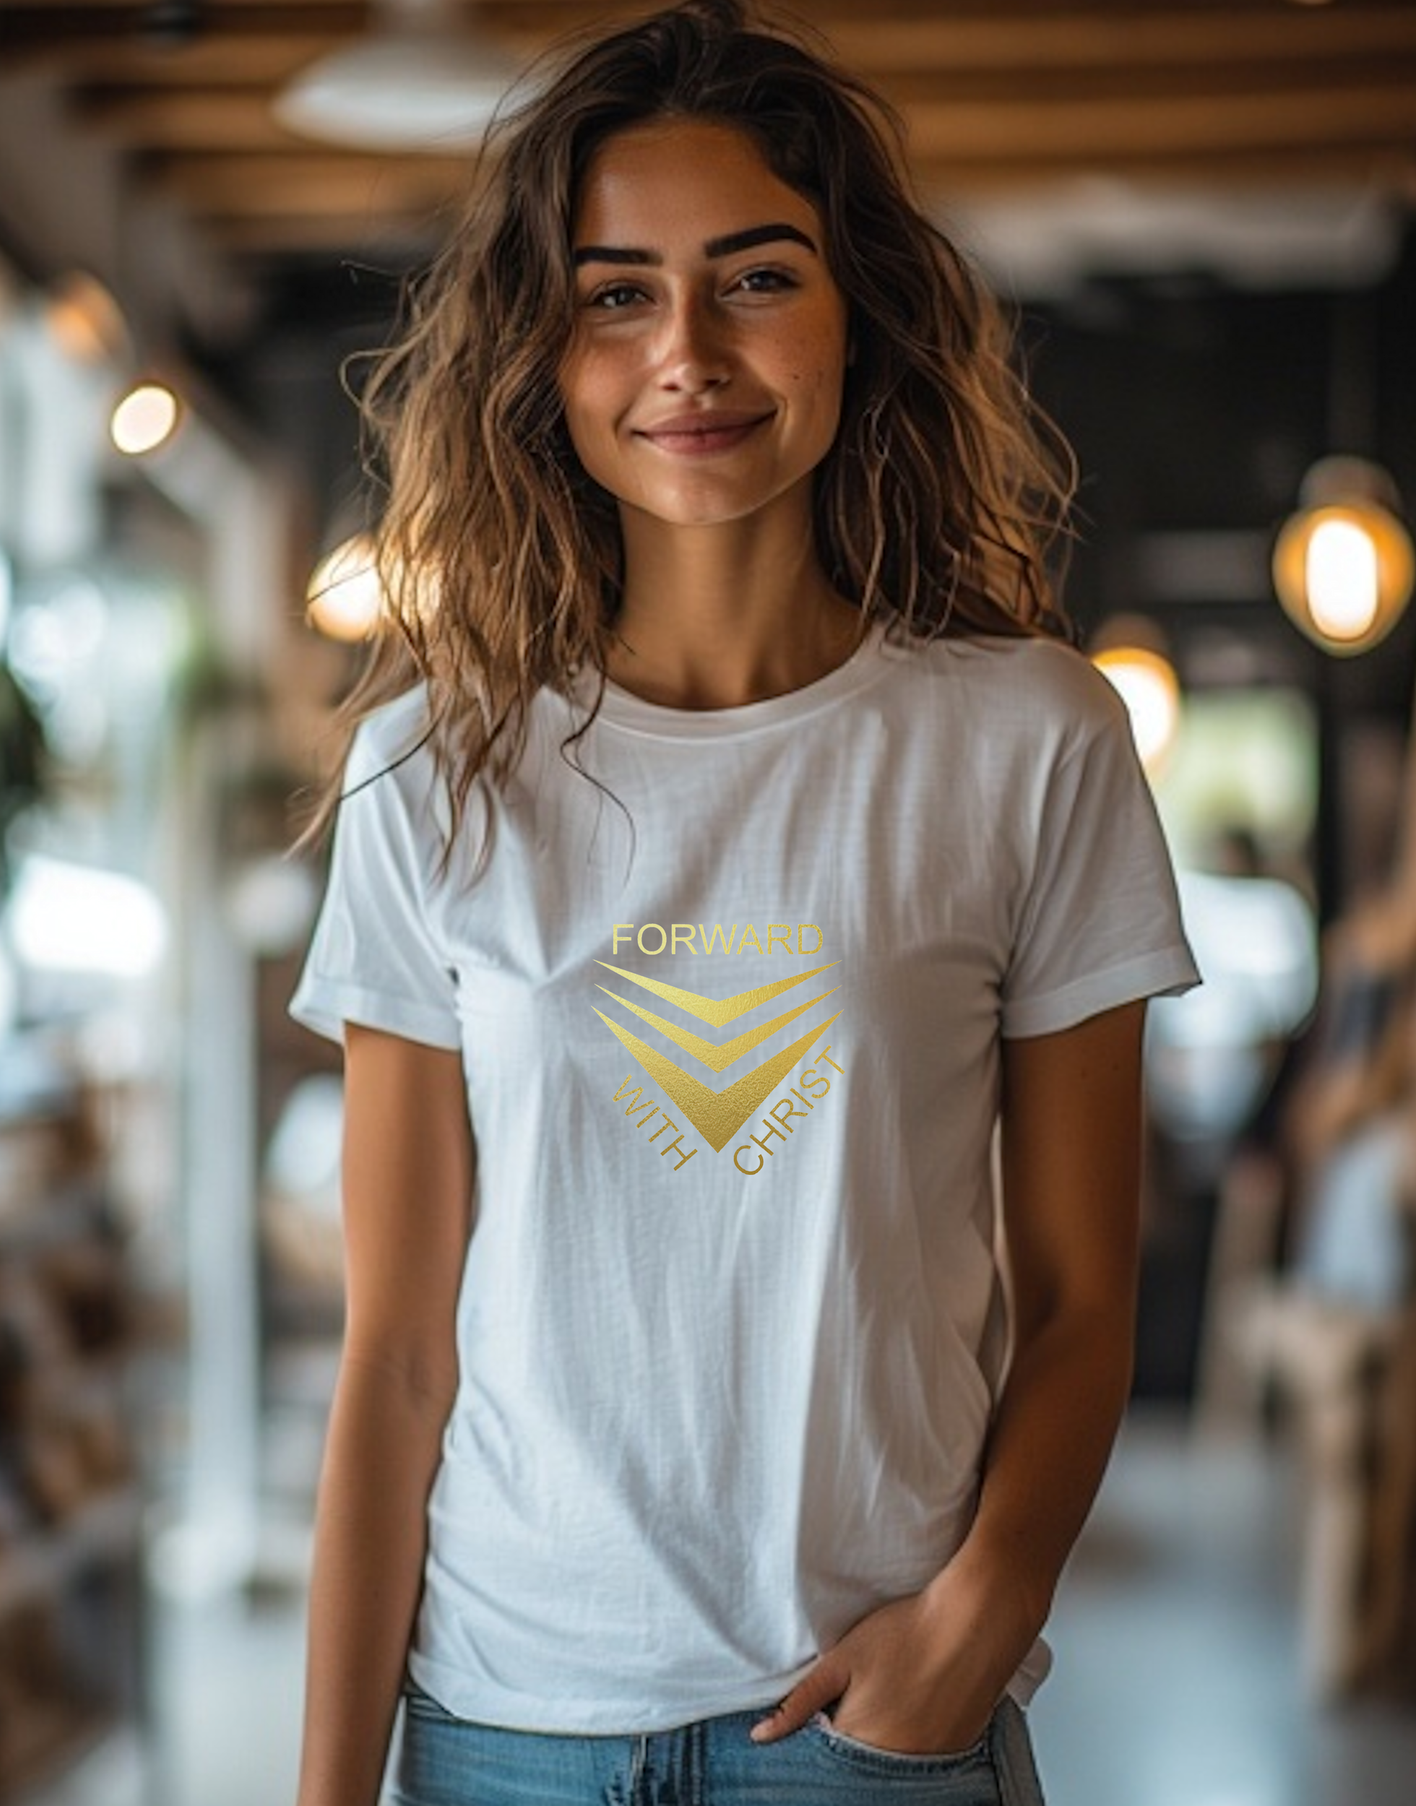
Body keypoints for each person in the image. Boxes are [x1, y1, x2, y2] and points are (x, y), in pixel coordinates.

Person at [288, 4, 1200, 1802]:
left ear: (857, 309)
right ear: (542, 353)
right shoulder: (432, 767)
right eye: (617, 291)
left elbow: (1087, 1291)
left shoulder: (1030, 738)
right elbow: (395, 1353)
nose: (686, 351)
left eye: (754, 278)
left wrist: (969, 1628)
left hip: (865, 1726)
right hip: (502, 1726)